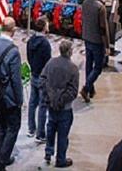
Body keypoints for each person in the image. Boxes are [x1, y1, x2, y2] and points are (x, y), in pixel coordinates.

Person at [0, 17, 24, 171]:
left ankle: (4, 156)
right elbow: (16, 80)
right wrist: (19, 99)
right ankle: (1, 161)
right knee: (13, 127)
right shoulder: (13, 52)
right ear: (13, 30)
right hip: (9, 97)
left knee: (1, 125)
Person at [40, 40, 79, 168]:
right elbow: (73, 91)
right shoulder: (73, 68)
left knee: (50, 129)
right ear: (70, 52)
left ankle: (48, 153)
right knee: (63, 135)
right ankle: (60, 160)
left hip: (51, 106)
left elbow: (42, 80)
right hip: (65, 109)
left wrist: (49, 97)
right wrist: (61, 100)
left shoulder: (50, 63)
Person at [80, 0, 109, 102]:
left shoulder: (85, 2)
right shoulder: (100, 7)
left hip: (87, 37)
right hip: (97, 40)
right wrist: (107, 45)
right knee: (98, 67)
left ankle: (90, 89)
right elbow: (103, 27)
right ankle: (86, 88)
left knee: (88, 64)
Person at [26, 17, 51, 141]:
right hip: (43, 77)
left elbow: (29, 57)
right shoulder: (45, 44)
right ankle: (40, 134)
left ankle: (31, 129)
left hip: (34, 74)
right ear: (44, 27)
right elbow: (48, 62)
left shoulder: (30, 41)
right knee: (42, 105)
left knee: (32, 103)